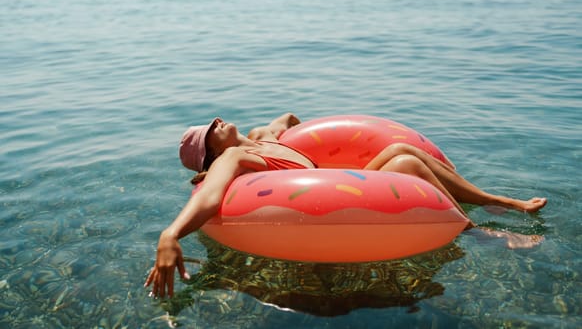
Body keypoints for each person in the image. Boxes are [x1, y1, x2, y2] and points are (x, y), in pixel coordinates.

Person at [145, 113, 547, 298]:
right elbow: (213, 194)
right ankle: (478, 232)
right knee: (404, 159)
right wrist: (171, 234)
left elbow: (288, 118)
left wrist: (290, 133)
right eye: (209, 131)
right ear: (211, 155)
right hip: (315, 204)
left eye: (213, 121)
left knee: (402, 149)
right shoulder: (233, 160)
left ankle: (500, 202)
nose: (216, 121)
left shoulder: (260, 136)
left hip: (332, 179)